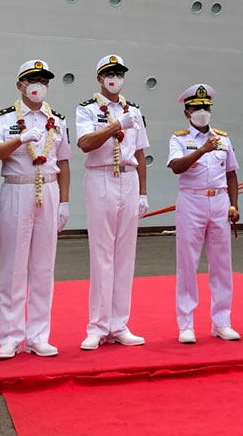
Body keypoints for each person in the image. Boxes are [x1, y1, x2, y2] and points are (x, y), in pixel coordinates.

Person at [0, 60, 71, 359]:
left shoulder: (57, 120)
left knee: (44, 266)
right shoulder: (3, 118)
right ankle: (9, 336)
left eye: (44, 80)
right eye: (33, 80)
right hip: (17, 187)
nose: (39, 86)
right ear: (20, 85)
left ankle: (38, 335)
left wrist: (64, 203)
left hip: (47, 188)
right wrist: (18, 139)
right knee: (13, 265)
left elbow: (63, 162)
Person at [76, 55, 148, 350]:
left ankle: (119, 323)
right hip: (101, 176)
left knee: (125, 254)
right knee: (102, 253)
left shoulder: (135, 110)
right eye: (109, 74)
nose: (114, 78)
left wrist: (143, 192)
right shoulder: (88, 109)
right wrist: (116, 124)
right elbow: (85, 144)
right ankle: (97, 325)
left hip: (128, 177)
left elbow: (141, 153)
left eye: (118, 73)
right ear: (99, 79)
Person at [168, 84, 240, 344]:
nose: (202, 112)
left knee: (222, 264)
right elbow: (176, 166)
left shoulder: (223, 138)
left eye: (206, 107)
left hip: (219, 200)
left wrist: (234, 205)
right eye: (197, 108)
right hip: (192, 201)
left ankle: (222, 322)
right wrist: (201, 150)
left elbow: (231, 173)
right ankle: (186, 324)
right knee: (188, 263)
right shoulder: (178, 139)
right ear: (187, 112)